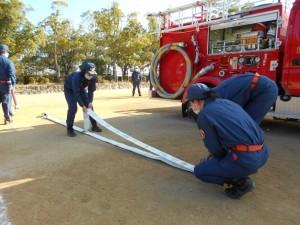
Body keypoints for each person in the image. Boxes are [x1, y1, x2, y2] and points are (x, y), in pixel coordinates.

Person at [188, 84, 269, 199]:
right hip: (263, 153)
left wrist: (212, 160)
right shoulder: (226, 103)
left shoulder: (204, 115)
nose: (191, 106)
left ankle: (241, 182)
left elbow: (215, 149)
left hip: (246, 159)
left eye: (191, 103)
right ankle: (239, 169)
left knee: (200, 171)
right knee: (220, 156)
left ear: (197, 101)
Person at [212, 73, 278, 124]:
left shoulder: (223, 95)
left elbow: (232, 111)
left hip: (266, 90)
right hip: (263, 86)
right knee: (243, 123)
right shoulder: (221, 90)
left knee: (247, 124)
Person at [64, 61, 102, 137]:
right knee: (73, 108)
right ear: (84, 71)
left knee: (90, 106)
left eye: (92, 74)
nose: (91, 75)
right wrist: (82, 106)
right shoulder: (76, 77)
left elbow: (91, 91)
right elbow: (76, 93)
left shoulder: (93, 77)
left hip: (81, 89)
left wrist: (90, 102)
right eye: (89, 74)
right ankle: (69, 128)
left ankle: (94, 126)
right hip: (70, 90)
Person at [0, 44, 16, 125]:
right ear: (5, 52)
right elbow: (11, 74)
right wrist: (13, 85)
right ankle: (7, 118)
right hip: (5, 85)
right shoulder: (8, 62)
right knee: (6, 102)